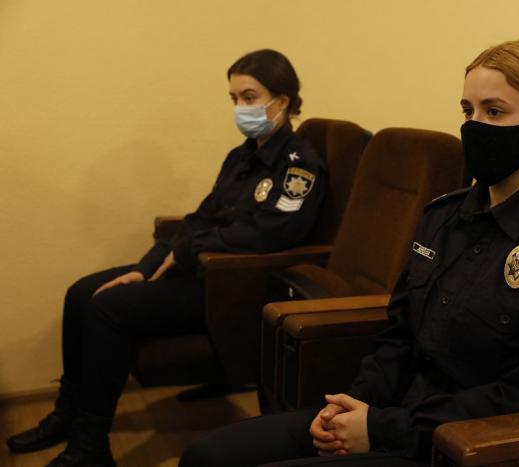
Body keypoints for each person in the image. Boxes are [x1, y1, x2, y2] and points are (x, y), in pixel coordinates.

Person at [179, 37, 519, 467]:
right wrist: (353, 406)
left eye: (494, 111)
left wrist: (384, 430)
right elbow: (399, 335)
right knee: (208, 456)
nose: (474, 126)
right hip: (390, 414)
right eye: (468, 110)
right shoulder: (444, 216)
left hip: (457, 446)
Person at [6, 49, 326, 467]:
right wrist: (145, 268)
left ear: (281, 100)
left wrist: (188, 249)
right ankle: (67, 415)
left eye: (249, 97)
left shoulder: (300, 165)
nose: (240, 108)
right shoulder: (241, 157)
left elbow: (273, 233)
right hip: (199, 271)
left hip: (233, 287)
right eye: (233, 99)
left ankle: (90, 446)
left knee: (107, 308)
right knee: (80, 293)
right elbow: (199, 219)